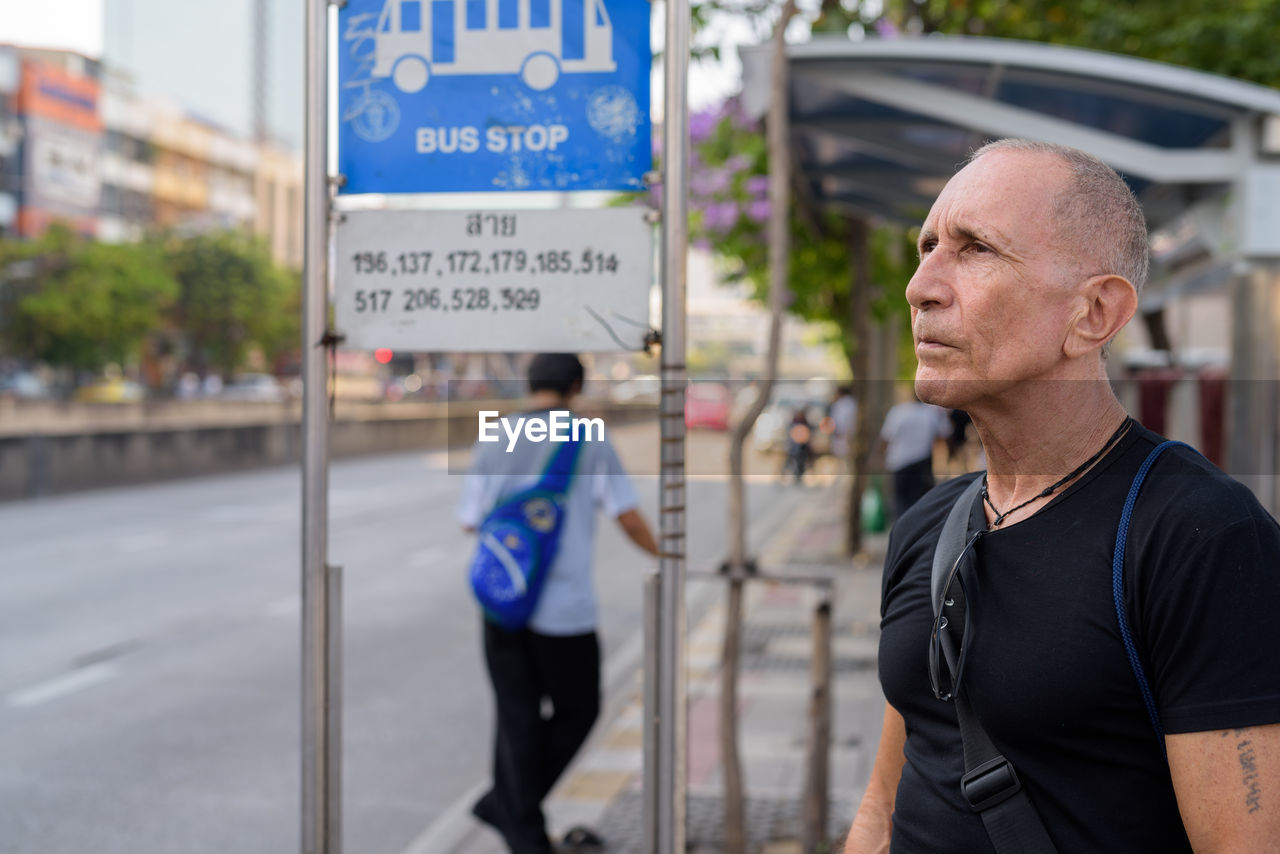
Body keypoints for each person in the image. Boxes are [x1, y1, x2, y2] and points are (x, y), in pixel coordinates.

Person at [844, 139, 1280, 853]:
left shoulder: (1198, 537)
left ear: (1095, 313)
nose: (921, 286)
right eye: (926, 247)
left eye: (975, 249)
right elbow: (883, 805)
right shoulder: (930, 523)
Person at [458, 353, 659, 854]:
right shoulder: (587, 436)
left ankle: (513, 814)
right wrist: (669, 554)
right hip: (563, 610)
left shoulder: (496, 434)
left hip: (502, 602)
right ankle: (513, 812)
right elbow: (627, 515)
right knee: (579, 710)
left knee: (516, 716)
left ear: (530, 385)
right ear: (575, 385)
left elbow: (470, 519)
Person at [878, 394, 950, 520]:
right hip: (921, 463)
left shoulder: (897, 412)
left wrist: (880, 457)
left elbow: (885, 439)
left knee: (901, 501)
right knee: (920, 502)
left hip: (899, 463)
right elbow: (943, 436)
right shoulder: (930, 413)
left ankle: (902, 531)